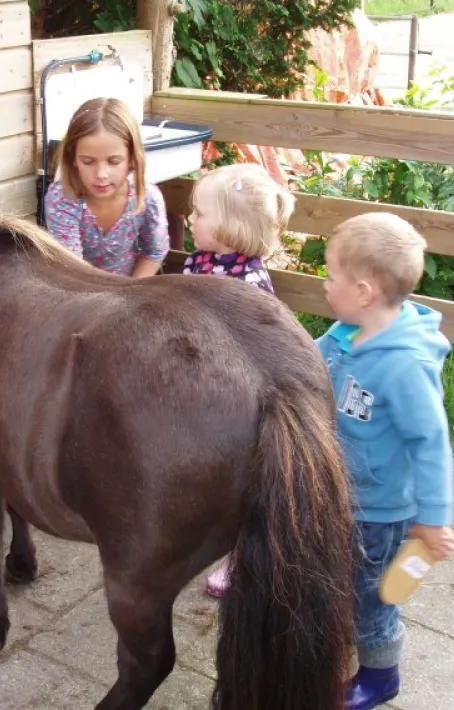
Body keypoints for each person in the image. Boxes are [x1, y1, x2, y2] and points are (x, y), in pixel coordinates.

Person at [316, 212, 454, 709]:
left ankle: (380, 677)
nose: (323, 283)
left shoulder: (404, 365)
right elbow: (311, 363)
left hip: (379, 511)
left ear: (363, 291)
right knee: (344, 583)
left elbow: (432, 442)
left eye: (330, 275)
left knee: (372, 600)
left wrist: (433, 520)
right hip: (341, 492)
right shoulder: (343, 335)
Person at [183, 163, 295, 598]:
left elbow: (257, 348)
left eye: (199, 213)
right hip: (204, 382)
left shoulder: (246, 284)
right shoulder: (201, 262)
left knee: (244, 483)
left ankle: (242, 557)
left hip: (240, 397)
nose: (189, 219)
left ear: (228, 229)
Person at [43, 97, 170, 277]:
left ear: (132, 159)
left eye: (114, 161)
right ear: (73, 158)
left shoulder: (148, 198)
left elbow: (155, 251)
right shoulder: (62, 198)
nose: (101, 173)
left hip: (130, 291)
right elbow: (71, 266)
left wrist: (131, 292)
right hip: (78, 291)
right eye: (88, 162)